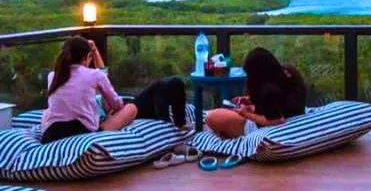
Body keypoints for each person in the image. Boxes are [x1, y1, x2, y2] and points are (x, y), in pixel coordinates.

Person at [41, 35, 189, 144]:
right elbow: (117, 105)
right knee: (130, 108)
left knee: (49, 112)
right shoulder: (94, 75)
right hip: (83, 134)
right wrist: (113, 111)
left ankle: (163, 114)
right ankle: (169, 122)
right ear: (87, 57)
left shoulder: (53, 76)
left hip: (51, 135)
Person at [203, 47, 306, 139]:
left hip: (265, 126)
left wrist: (246, 114)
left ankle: (230, 133)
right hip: (290, 114)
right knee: (230, 111)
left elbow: (277, 120)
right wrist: (251, 100)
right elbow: (280, 101)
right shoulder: (288, 73)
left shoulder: (269, 90)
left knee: (210, 117)